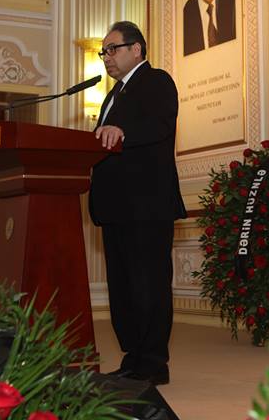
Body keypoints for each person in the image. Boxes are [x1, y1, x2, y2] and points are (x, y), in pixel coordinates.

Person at [88, 21, 187, 385]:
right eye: (104, 52)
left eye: (112, 49)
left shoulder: (156, 81)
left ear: (137, 49)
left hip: (147, 205)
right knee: (123, 285)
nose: (106, 58)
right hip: (116, 207)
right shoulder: (111, 96)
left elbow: (160, 125)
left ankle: (153, 363)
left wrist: (123, 131)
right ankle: (133, 356)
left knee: (149, 283)